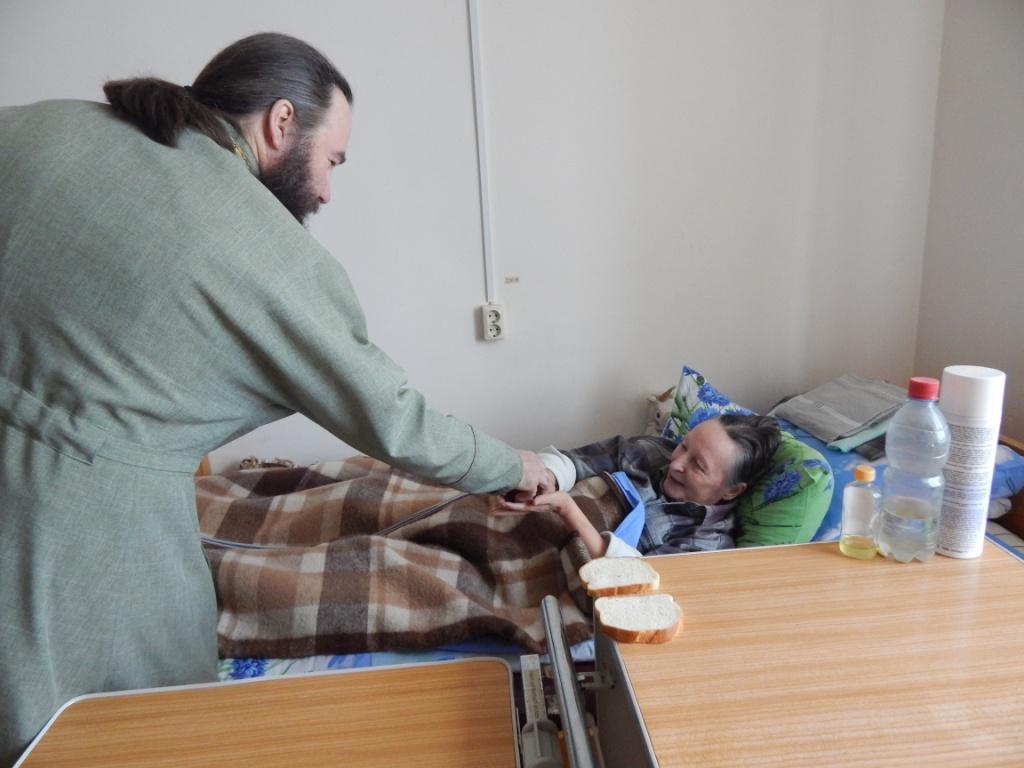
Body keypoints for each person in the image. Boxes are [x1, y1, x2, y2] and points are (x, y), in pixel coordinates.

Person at [0, 32, 550, 763]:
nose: (326, 191)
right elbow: (395, 418)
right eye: (333, 161)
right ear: (281, 122)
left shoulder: (44, 125)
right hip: (75, 531)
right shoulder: (267, 254)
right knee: (122, 730)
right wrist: (513, 465)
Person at [502, 414, 781, 558]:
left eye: (698, 465)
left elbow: (634, 582)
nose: (676, 463)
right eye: (684, 445)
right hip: (513, 519)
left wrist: (568, 510)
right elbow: (574, 461)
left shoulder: (706, 542)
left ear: (732, 490)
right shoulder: (650, 451)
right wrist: (548, 477)